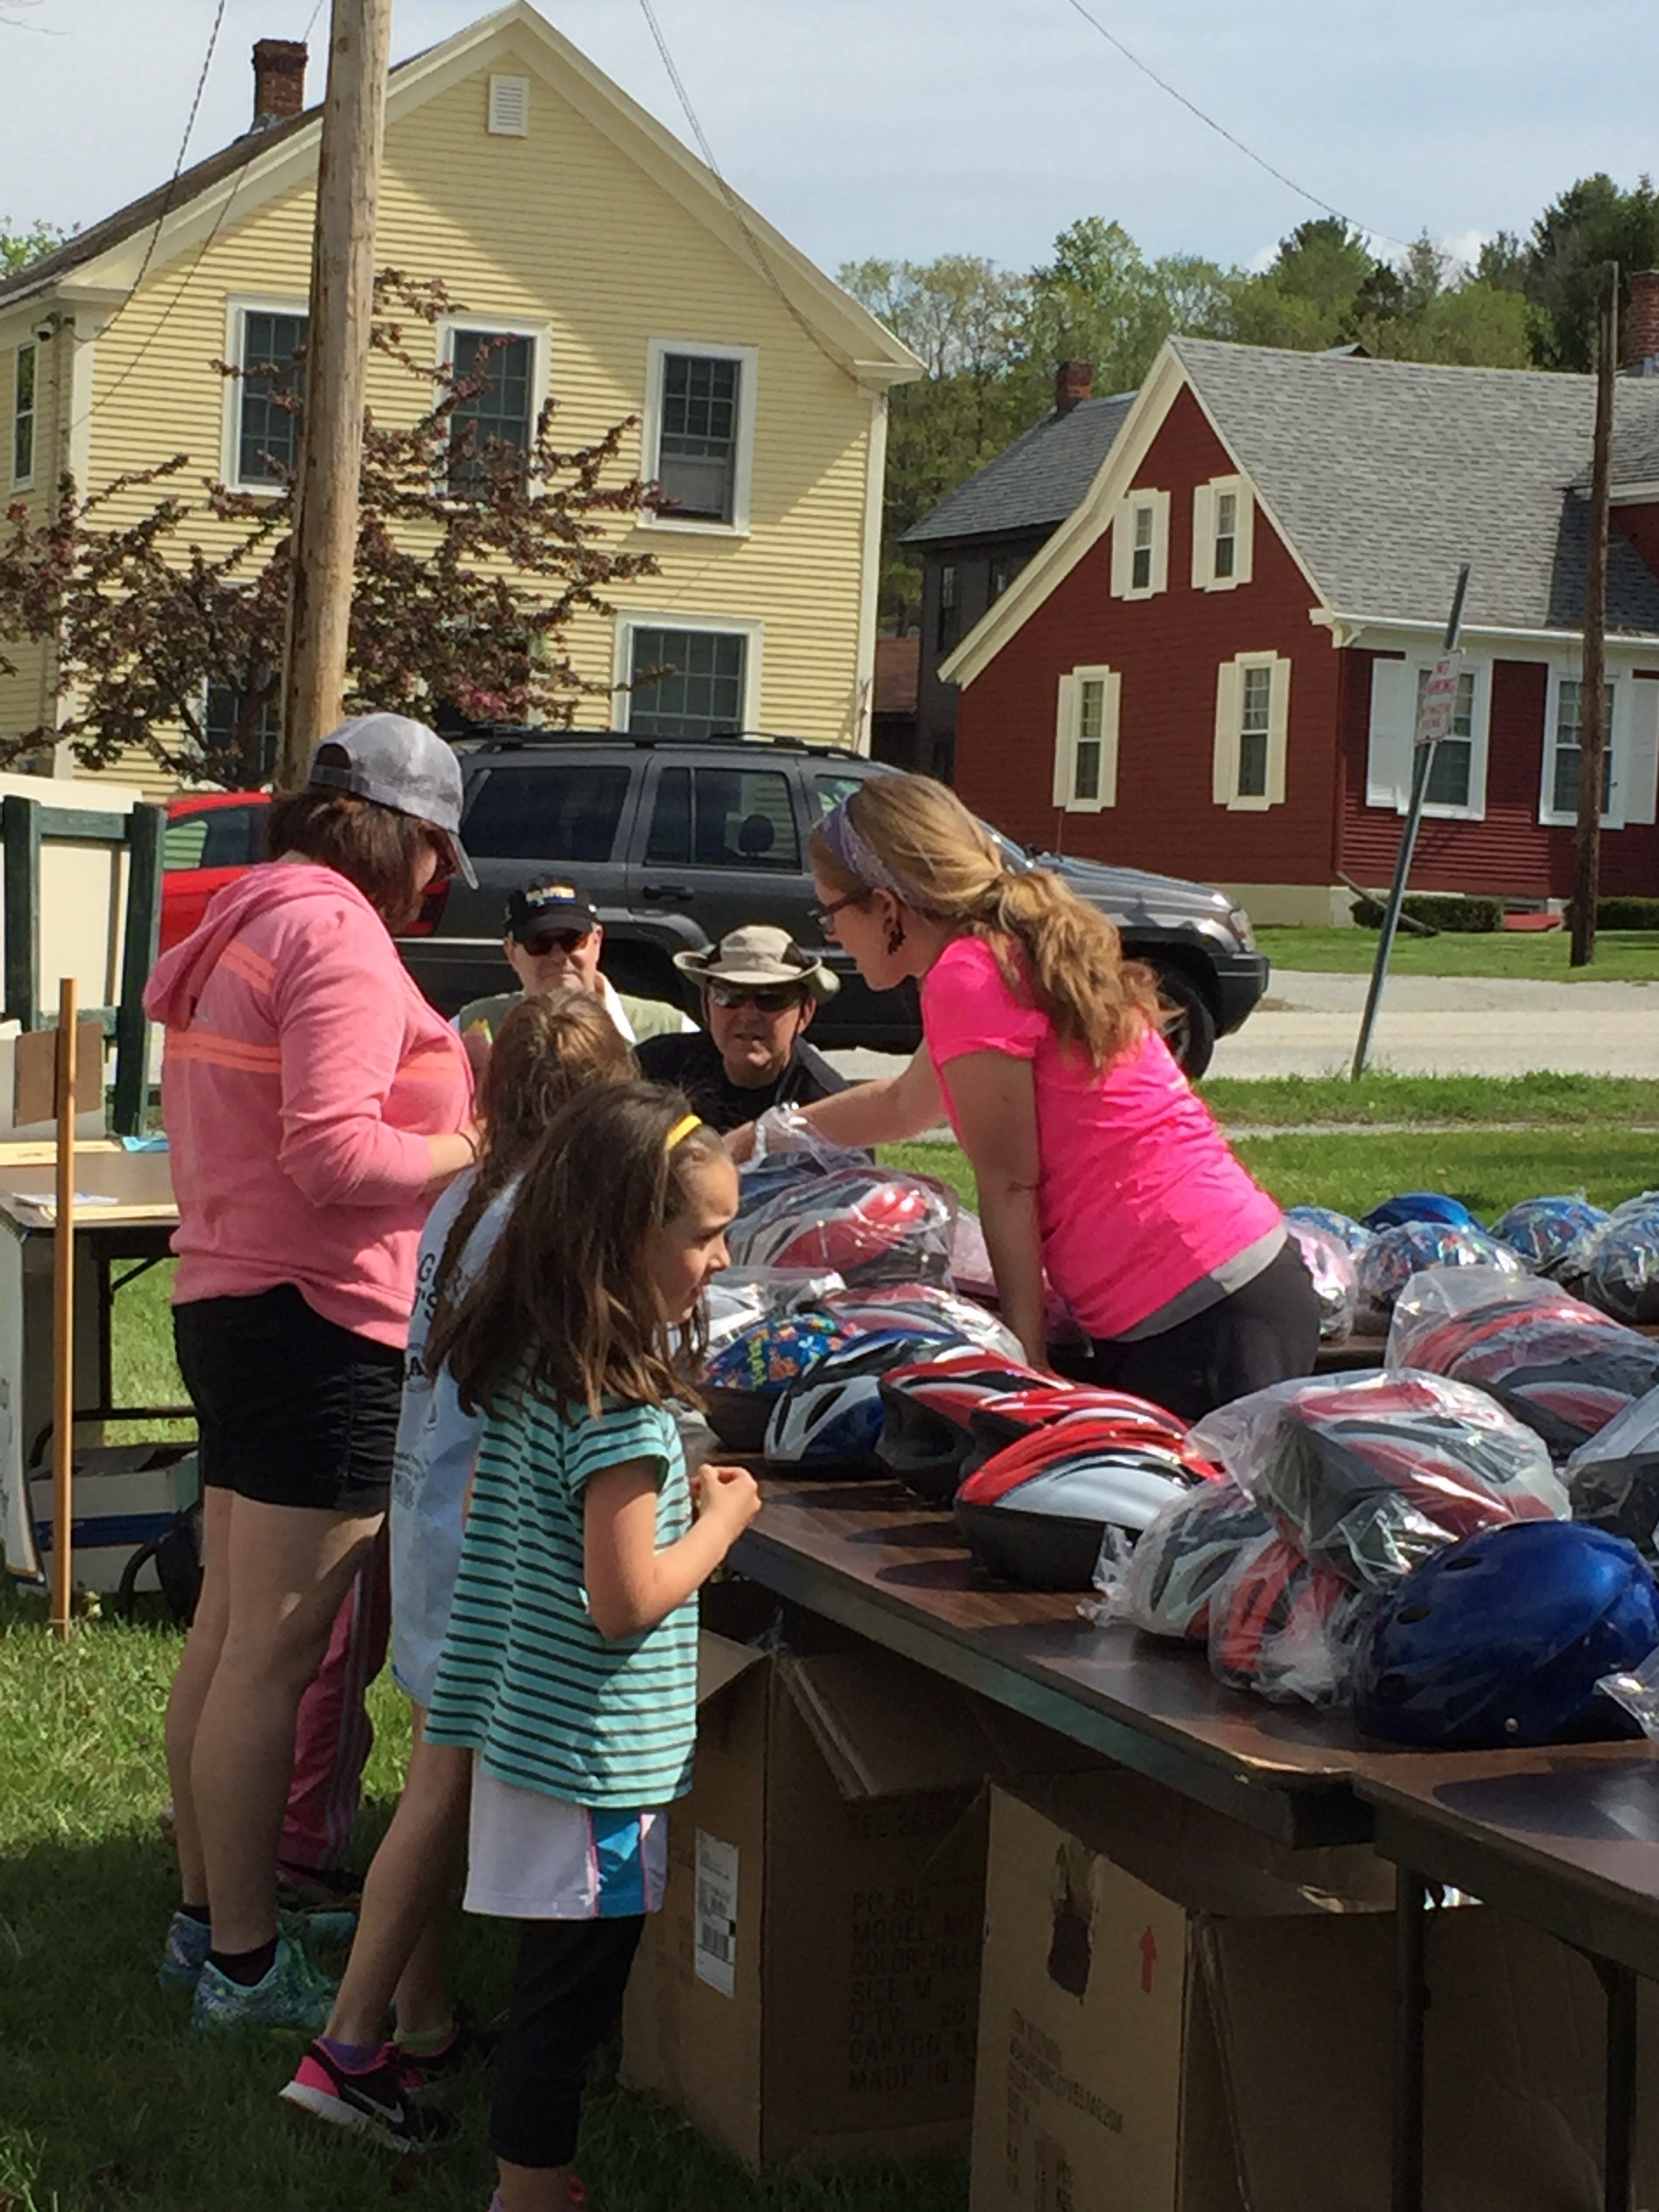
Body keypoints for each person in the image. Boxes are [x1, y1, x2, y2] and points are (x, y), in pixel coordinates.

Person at [147, 713, 477, 2034]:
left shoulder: (248, 913)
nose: (437, 891)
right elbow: (336, 1158)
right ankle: (242, 1964)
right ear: (407, 843)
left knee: (231, 1638)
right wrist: (476, 1139)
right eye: (441, 865)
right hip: (316, 1324)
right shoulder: (335, 935)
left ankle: (202, 1924)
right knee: (272, 1657)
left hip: (235, 1303)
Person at [281, 991, 636, 2148]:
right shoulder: (549, 1214)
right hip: (488, 1541)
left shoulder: (462, 1196)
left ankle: (418, 2015)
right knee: (438, 1796)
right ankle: (344, 2046)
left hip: (432, 1517)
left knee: (429, 1784)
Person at [422, 1083, 762, 2212]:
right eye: (703, 1233)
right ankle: (527, 2185)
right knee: (569, 1990)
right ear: (625, 1236)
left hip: (528, 1718)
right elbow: (624, 1599)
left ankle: (534, 2167)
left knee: (552, 1976)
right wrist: (718, 1519)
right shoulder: (617, 1405)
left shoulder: (532, 1358)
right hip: (592, 1757)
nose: (720, 1256)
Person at [735, 773, 1317, 1422]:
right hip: (1229, 1283)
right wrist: (761, 1136)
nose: (831, 935)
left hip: (1196, 1308)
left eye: (831, 912)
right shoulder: (994, 953)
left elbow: (1010, 1181)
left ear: (886, 904)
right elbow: (906, 1104)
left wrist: (1023, 1362)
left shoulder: (967, 975)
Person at [454, 879, 691, 1079]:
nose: (558, 956)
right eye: (540, 943)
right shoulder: (471, 1028)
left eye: (572, 940)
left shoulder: (667, 1028)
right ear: (511, 952)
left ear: (597, 941)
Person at [634, 924, 847, 1133]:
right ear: (705, 1004)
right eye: (728, 996)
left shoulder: (828, 1106)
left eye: (771, 999)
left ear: (806, 1012)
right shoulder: (654, 1072)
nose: (748, 1015)